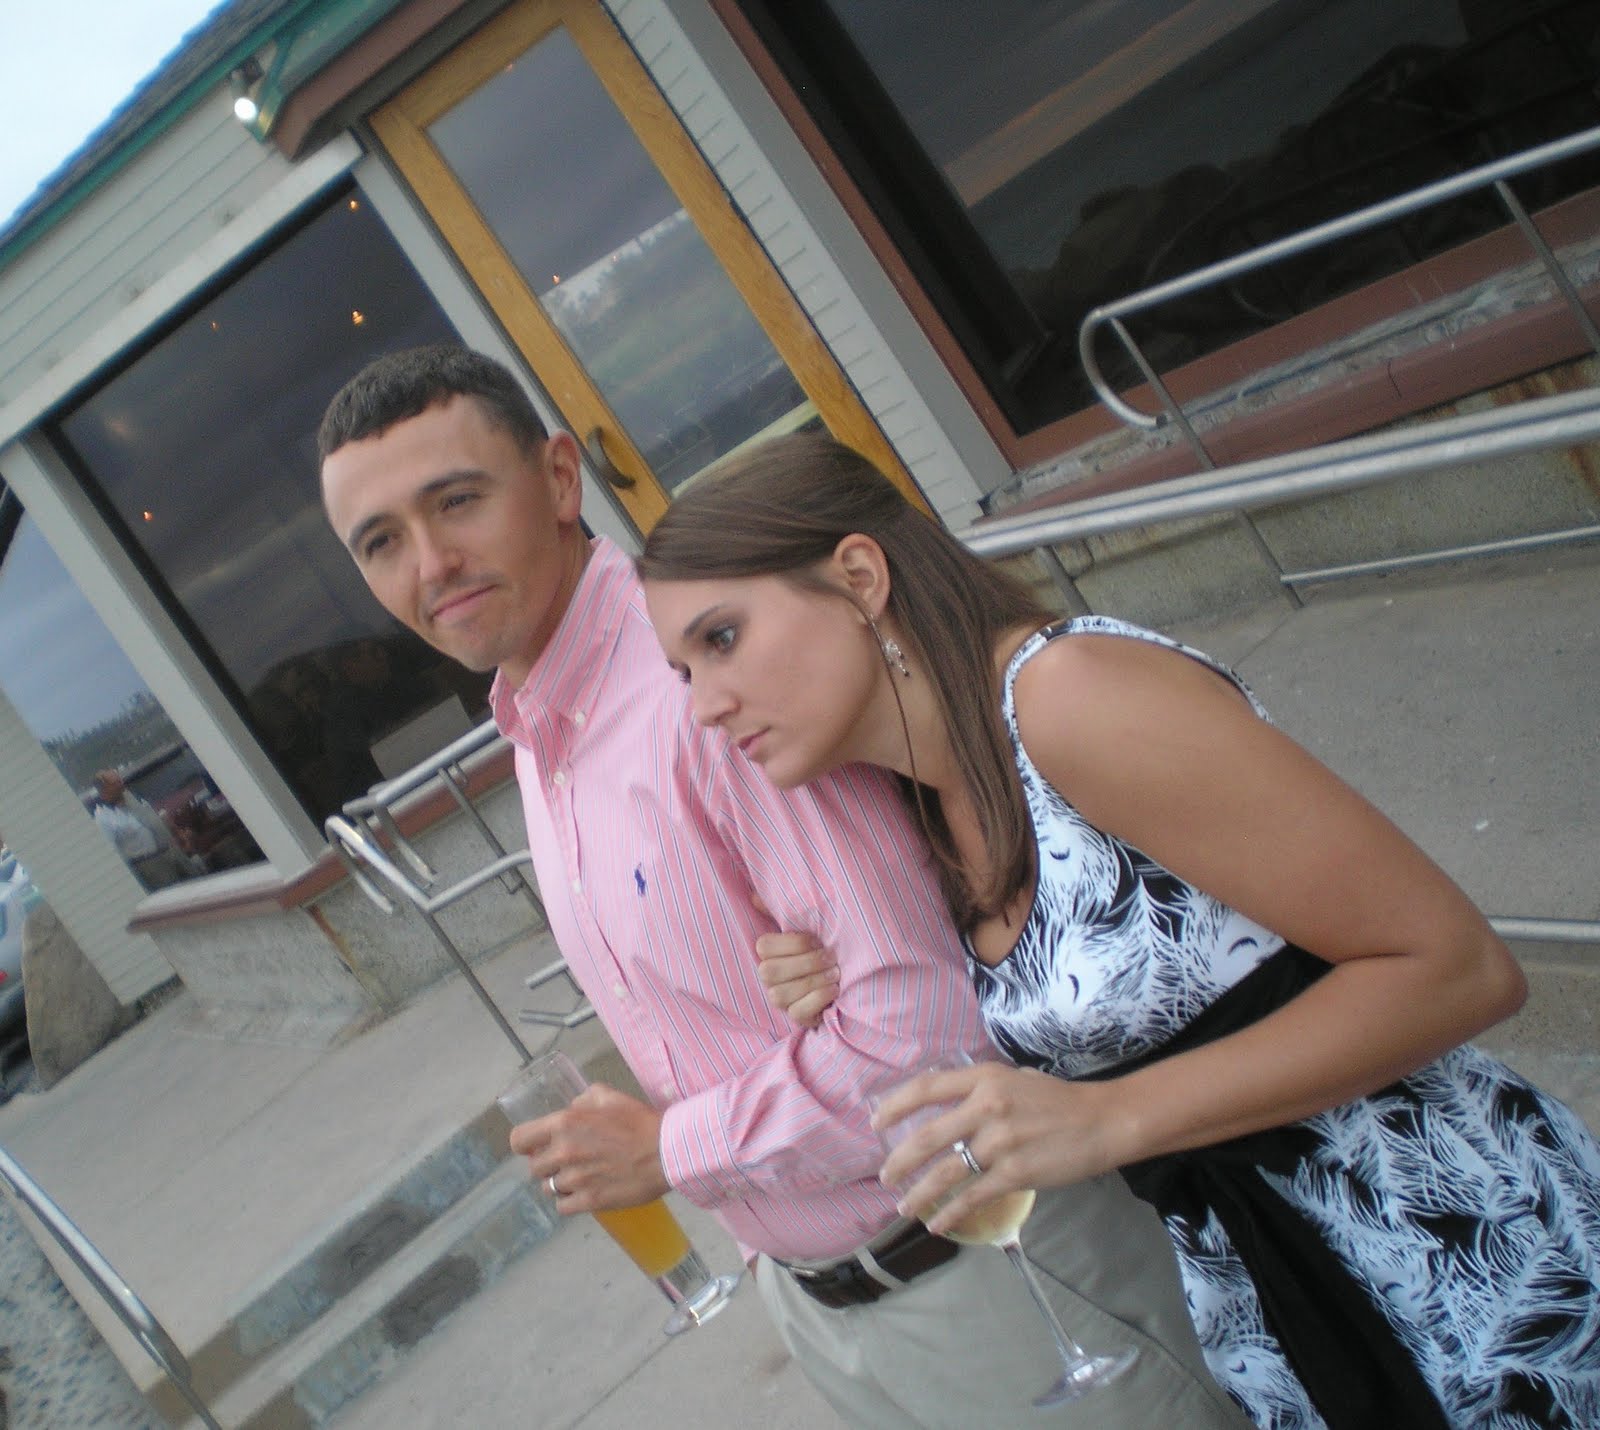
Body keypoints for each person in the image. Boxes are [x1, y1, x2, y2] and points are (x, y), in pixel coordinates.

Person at [317, 345, 1246, 1429]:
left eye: (457, 501)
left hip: (991, 1275)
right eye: (381, 542)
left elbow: (922, 1032)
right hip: (829, 1309)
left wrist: (669, 1149)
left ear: (560, 478)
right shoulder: (538, 729)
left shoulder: (700, 677)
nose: (431, 562)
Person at [638, 432, 1600, 1429]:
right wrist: (842, 972)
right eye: (681, 670)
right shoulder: (929, 802)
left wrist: (1111, 1117)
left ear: (858, 577)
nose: (704, 706)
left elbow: (1457, 966)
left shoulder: (1070, 696)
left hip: (1462, 1256)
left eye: (721, 638)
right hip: (1273, 1295)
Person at [90, 769, 196, 890]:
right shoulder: (104, 818)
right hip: (150, 864)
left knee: (197, 884)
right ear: (104, 791)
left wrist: (179, 836)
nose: (121, 784)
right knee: (174, 894)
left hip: (170, 850)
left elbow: (156, 819)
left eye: (119, 780)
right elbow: (114, 852)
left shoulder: (134, 798)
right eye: (115, 783)